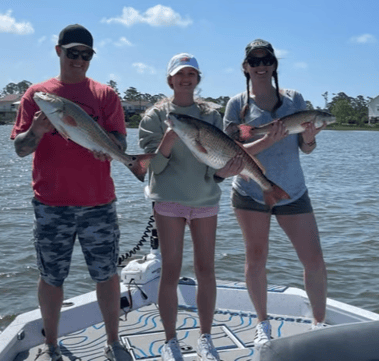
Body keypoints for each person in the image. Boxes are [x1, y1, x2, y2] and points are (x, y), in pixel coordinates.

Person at [10, 24, 132, 361]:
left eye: (85, 54)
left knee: (106, 275)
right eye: (72, 52)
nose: (78, 60)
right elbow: (20, 149)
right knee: (51, 277)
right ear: (58, 51)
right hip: (51, 205)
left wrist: (110, 149)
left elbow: (119, 140)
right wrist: (36, 129)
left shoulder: (105, 95)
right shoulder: (37, 94)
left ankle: (113, 343)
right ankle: (51, 345)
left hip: (99, 203)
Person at [223, 39, 328, 352]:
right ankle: (262, 325)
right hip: (250, 191)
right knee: (256, 258)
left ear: (274, 63)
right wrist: (267, 139)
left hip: (293, 191)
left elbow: (305, 149)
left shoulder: (294, 99)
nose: (260, 65)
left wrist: (309, 138)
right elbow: (233, 154)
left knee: (315, 261)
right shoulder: (236, 105)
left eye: (266, 59)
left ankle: (319, 325)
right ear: (245, 67)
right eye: (254, 61)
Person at [138, 53, 243, 361]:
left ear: (198, 79)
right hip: (168, 202)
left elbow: (217, 166)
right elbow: (153, 167)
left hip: (205, 201)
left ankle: (206, 339)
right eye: (179, 74)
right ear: (169, 79)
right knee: (170, 271)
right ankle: (171, 342)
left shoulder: (211, 115)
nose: (185, 79)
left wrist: (227, 171)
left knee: (205, 270)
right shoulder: (154, 117)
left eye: (191, 74)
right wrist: (171, 135)